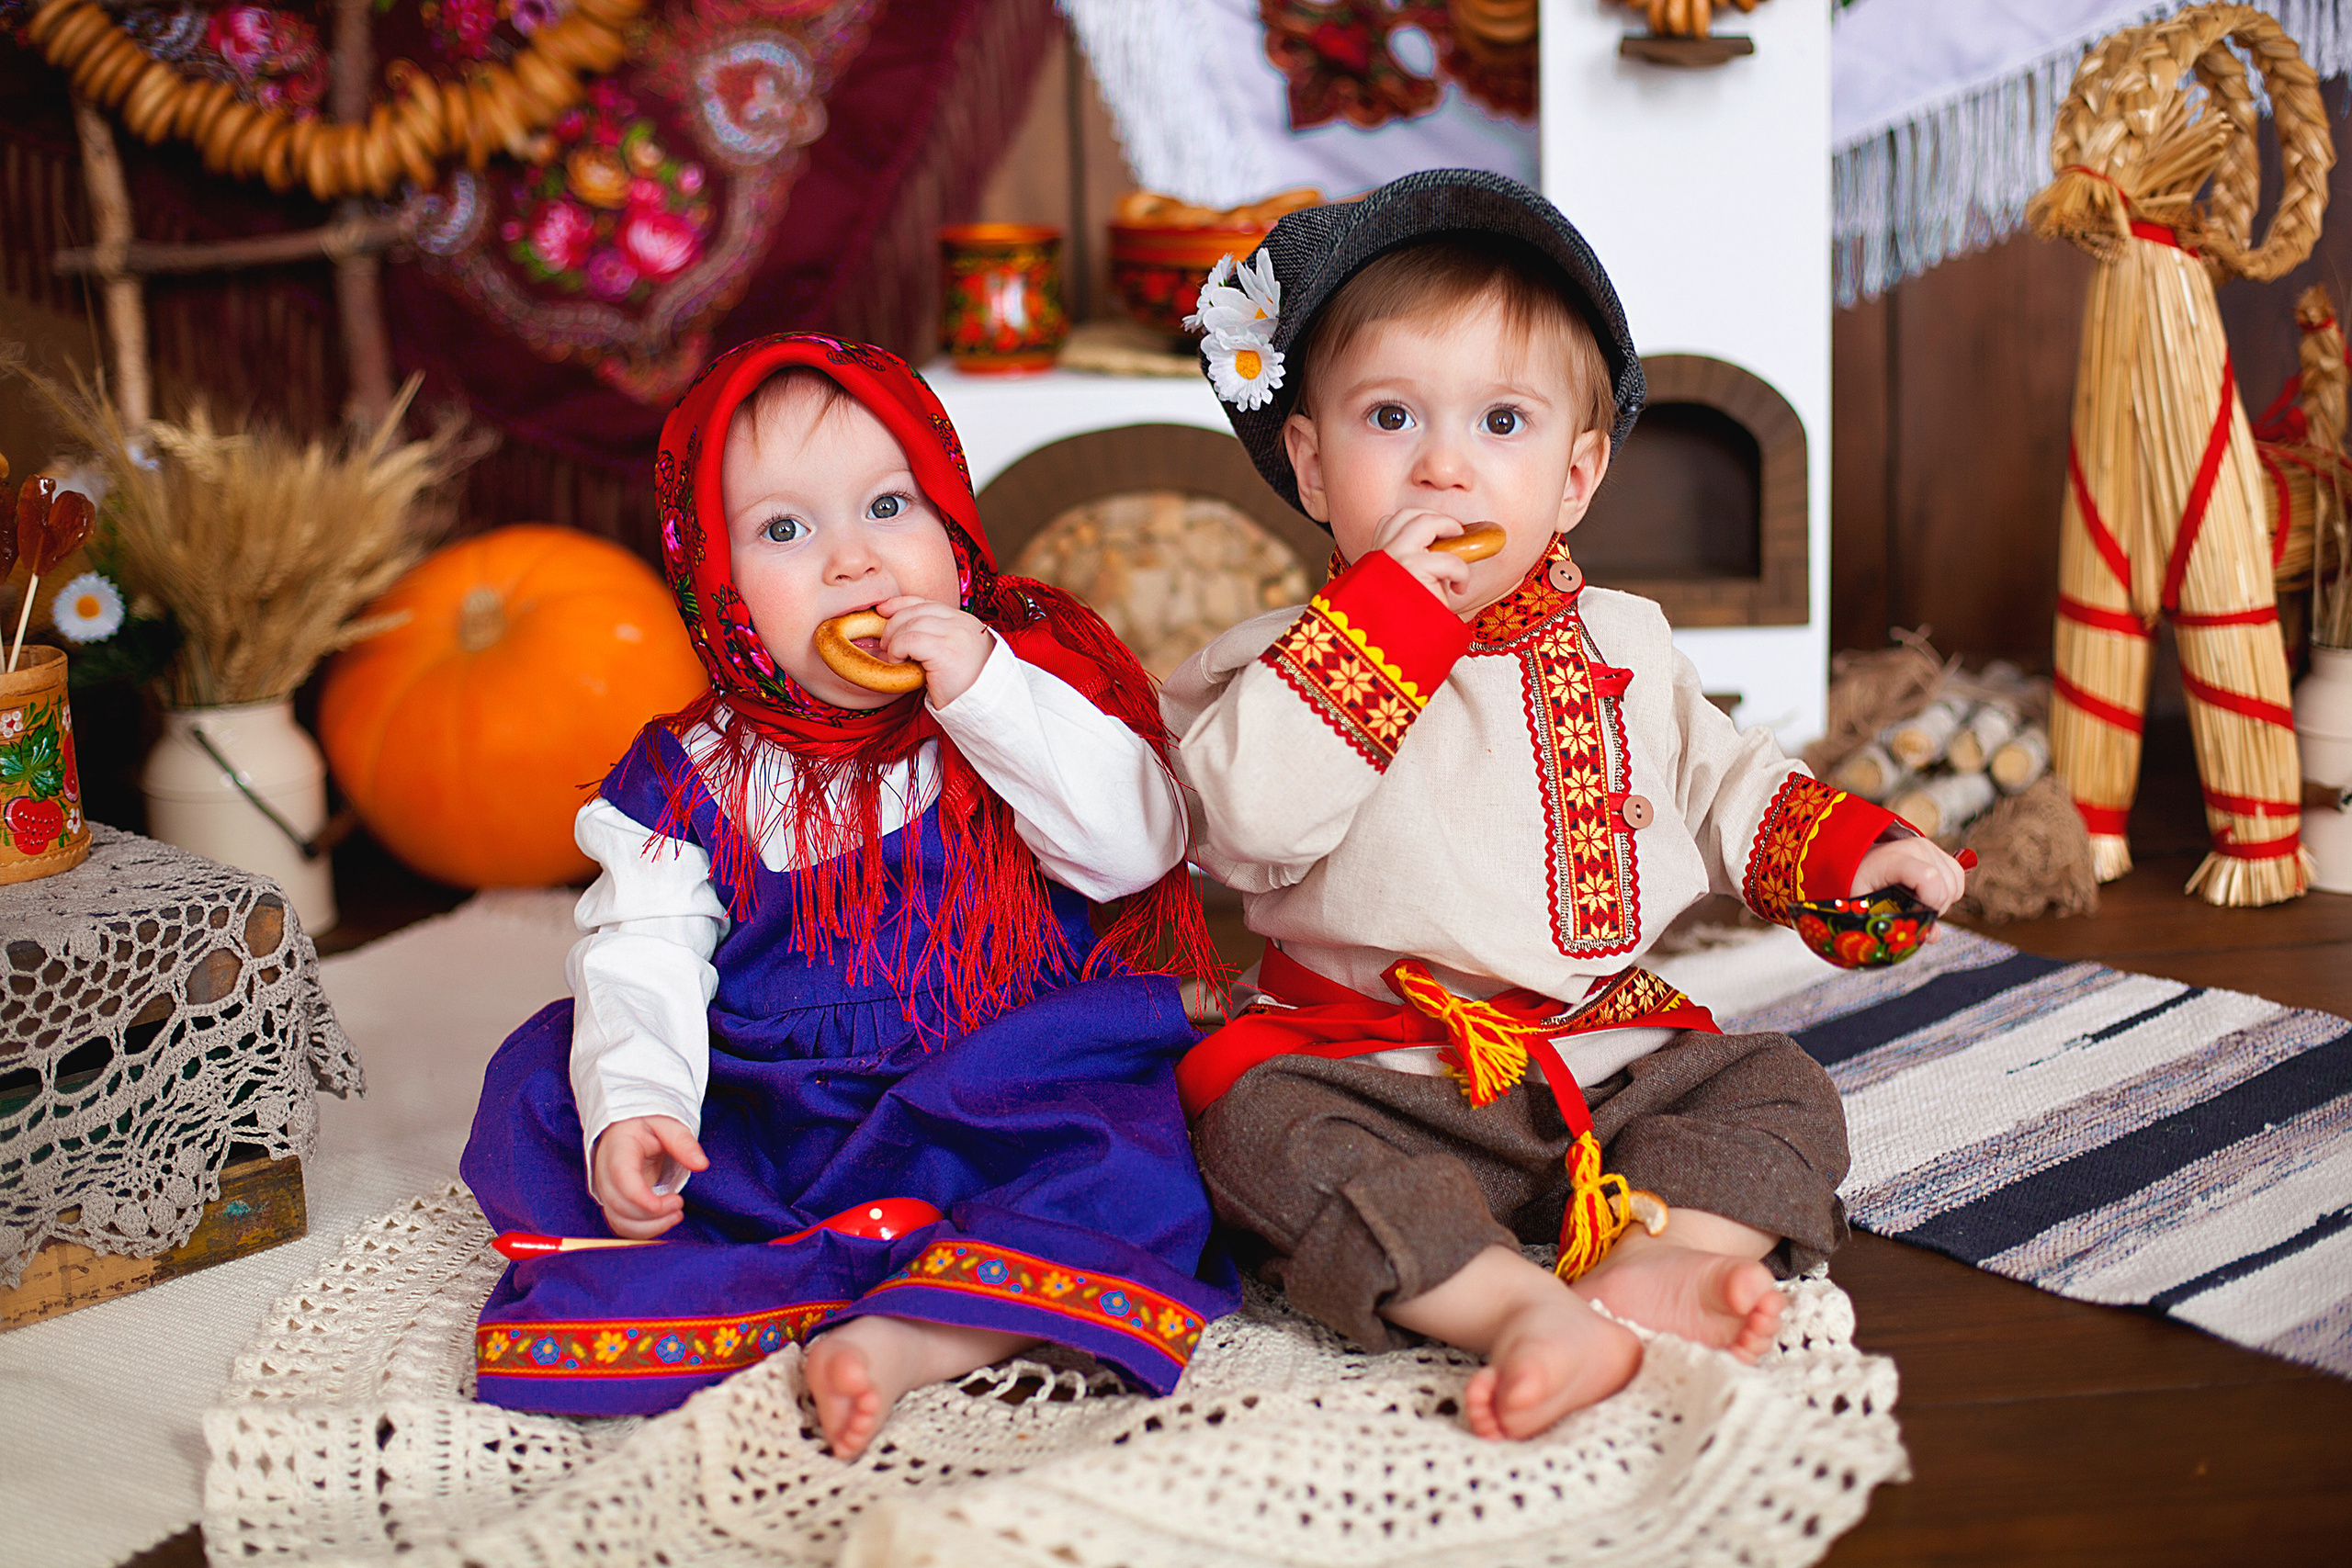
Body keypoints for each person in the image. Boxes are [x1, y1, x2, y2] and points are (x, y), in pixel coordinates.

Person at [1163, 171, 1967, 1442]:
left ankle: (1655, 1253)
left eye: (1501, 420)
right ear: (1312, 465)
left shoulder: (1627, 643)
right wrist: (1386, 625)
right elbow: (1240, 823)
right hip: (1368, 1066)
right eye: (1389, 417)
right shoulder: (1277, 660)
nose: (1444, 464)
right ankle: (1501, 1305)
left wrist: (1854, 848)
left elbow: (1719, 777)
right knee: (1247, 1131)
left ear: (1577, 474)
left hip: (1603, 1058)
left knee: (1777, 1084)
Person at [460, 333, 1236, 1461]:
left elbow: (1133, 849)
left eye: (889, 505)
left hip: (1008, 1075)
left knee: (1129, 1159)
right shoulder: (697, 772)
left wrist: (986, 691)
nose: (852, 562)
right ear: (715, 583)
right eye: (784, 530)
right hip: (786, 1099)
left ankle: (915, 1337)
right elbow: (642, 957)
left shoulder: (1016, 695)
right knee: (551, 1085)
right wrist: (641, 1103)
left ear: (956, 528)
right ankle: (766, 1274)